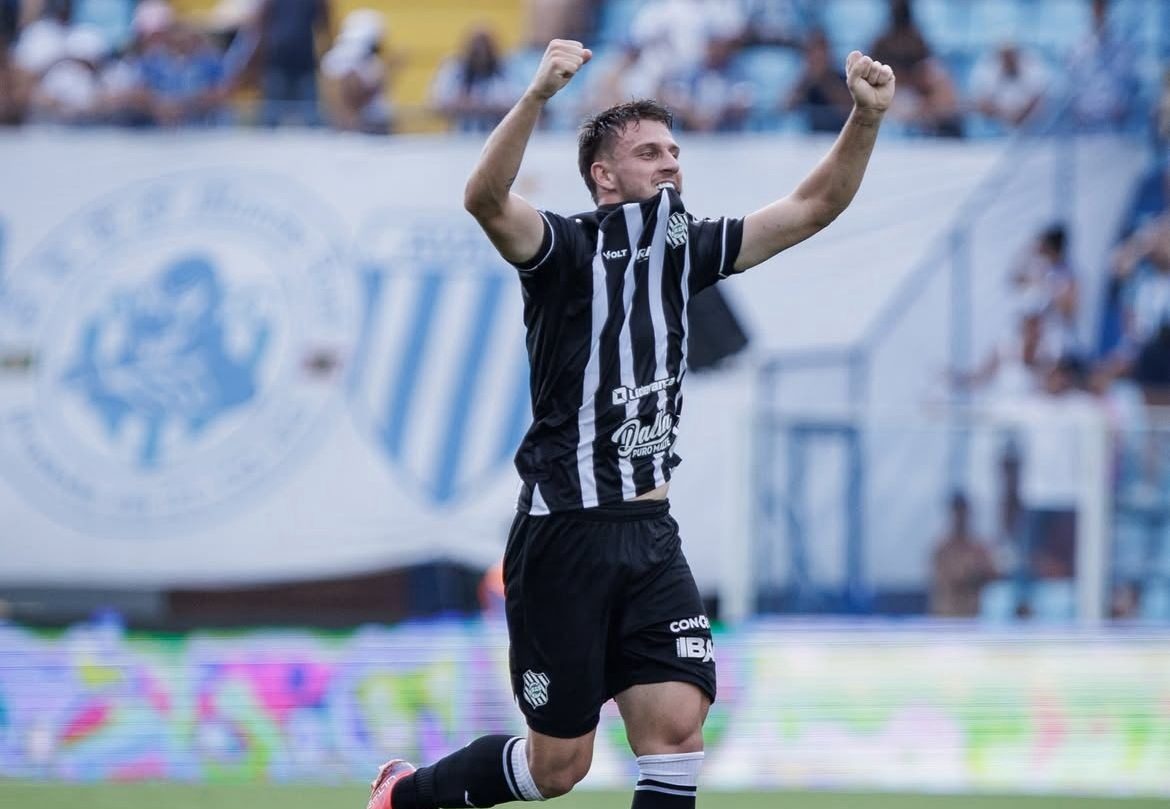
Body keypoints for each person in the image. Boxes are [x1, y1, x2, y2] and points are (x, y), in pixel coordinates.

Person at [367, 38, 895, 809]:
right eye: (650, 153)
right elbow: (484, 198)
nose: (670, 163)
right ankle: (406, 795)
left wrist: (866, 118)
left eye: (674, 151)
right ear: (604, 175)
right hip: (564, 534)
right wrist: (537, 96)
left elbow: (815, 206)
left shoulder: (687, 250)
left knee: (677, 730)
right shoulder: (564, 249)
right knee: (557, 769)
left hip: (649, 533)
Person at [929, 492, 998, 618]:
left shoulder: (979, 548)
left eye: (963, 512)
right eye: (957, 512)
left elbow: (992, 574)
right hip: (946, 617)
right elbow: (949, 579)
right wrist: (971, 574)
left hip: (973, 617)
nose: (960, 517)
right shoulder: (942, 549)